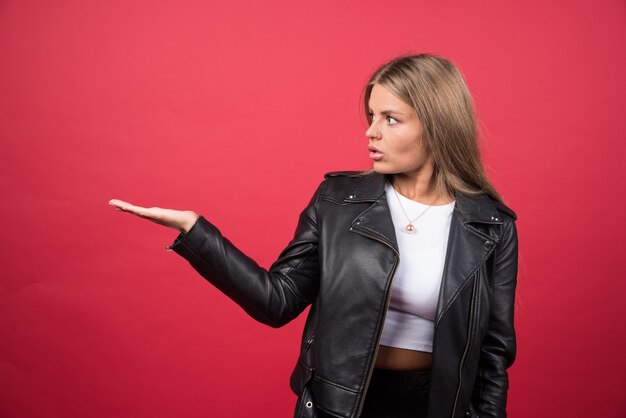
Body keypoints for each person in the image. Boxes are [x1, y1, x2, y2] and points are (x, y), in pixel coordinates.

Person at [109, 53, 519, 418]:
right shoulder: (338, 200)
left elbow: (492, 353)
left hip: (436, 406)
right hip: (338, 405)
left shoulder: (491, 226)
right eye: (371, 116)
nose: (371, 132)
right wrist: (195, 231)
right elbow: (277, 300)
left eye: (390, 119)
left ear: (436, 126)